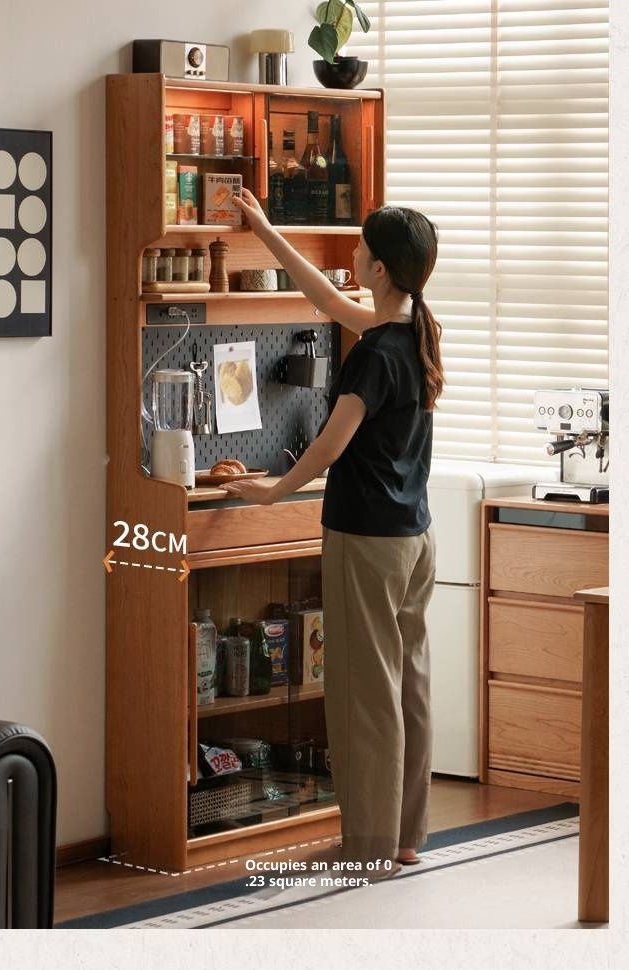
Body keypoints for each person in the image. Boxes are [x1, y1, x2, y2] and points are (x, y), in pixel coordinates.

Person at [220, 189, 444, 876]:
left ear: (378, 268)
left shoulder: (372, 355)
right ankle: (404, 837)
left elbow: (329, 445)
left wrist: (268, 492)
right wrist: (266, 230)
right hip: (414, 538)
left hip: (366, 540)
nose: (350, 258)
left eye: (359, 250)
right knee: (407, 684)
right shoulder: (413, 333)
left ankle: (368, 846)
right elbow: (323, 296)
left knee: (363, 697)